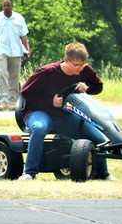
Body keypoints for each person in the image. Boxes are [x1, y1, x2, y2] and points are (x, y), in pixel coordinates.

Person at [18, 42, 115, 181]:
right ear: (66, 60)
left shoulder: (85, 70)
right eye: (76, 65)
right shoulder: (47, 72)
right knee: (39, 128)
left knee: (99, 139)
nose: (80, 69)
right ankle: (29, 173)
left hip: (65, 115)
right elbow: (25, 92)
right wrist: (49, 101)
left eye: (83, 65)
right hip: (39, 111)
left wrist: (87, 86)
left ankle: (102, 174)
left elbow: (98, 86)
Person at [0, 0, 30, 111]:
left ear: (12, 6)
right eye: (4, 6)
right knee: (2, 74)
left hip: (16, 51)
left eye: (8, 5)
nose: (6, 8)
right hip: (1, 50)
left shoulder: (19, 18)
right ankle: (3, 101)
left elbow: (23, 36)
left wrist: (27, 49)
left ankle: (12, 101)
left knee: (14, 76)